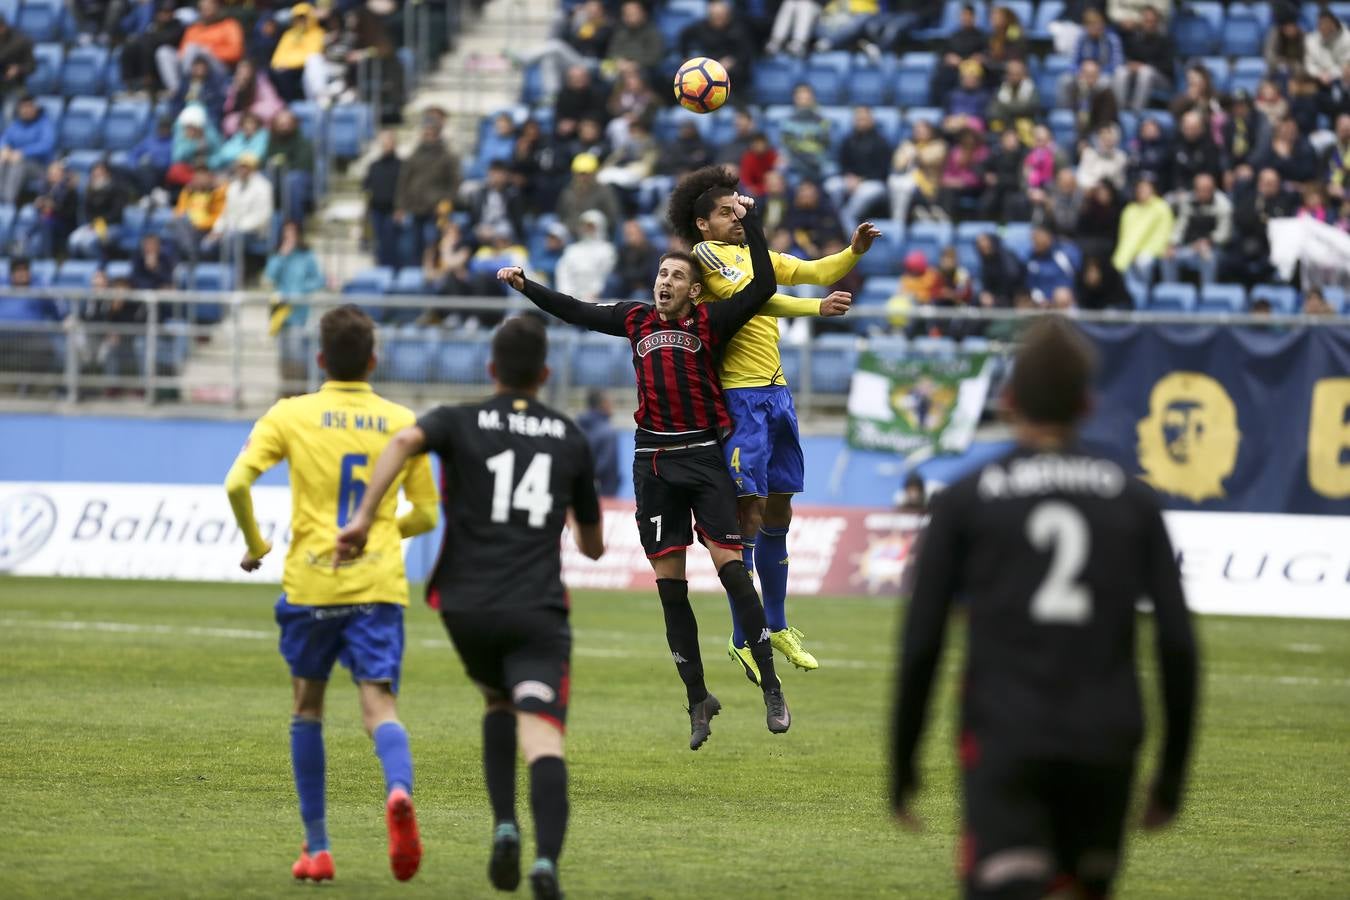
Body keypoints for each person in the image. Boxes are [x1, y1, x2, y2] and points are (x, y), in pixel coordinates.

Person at [891, 316, 1199, 900]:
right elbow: (1178, 643)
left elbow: (922, 640)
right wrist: (1171, 777)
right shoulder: (1134, 501)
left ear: (1007, 402)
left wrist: (903, 764)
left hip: (1007, 737)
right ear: (1087, 403)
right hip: (1106, 739)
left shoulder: (964, 499)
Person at [500, 196, 794, 746]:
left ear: (694, 290)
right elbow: (577, 310)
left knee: (732, 571)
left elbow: (760, 290)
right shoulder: (634, 318)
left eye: (677, 276)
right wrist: (527, 286)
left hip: (704, 457)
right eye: (662, 273)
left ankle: (771, 687)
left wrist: (749, 223)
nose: (665, 282)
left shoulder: (712, 321)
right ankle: (697, 699)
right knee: (671, 589)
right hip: (654, 463)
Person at [335, 316, 604, 900]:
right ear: (545, 374)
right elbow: (591, 544)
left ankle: (504, 824)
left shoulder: (457, 419)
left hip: (464, 605)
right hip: (534, 607)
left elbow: (405, 440)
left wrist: (362, 518)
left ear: (490, 369)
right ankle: (545, 866)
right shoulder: (569, 435)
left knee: (496, 699)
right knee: (543, 736)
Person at [224, 305, 439, 884]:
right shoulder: (400, 419)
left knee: (307, 708)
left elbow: (237, 482)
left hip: (310, 581)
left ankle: (317, 848)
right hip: (376, 583)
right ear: (374, 360)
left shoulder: (291, 414)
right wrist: (380, 527)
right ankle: (397, 791)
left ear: (319, 359)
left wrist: (256, 543)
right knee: (379, 708)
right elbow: (427, 512)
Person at [668, 165, 872, 679]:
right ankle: (745, 636)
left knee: (781, 503)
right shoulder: (705, 256)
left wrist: (852, 254)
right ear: (703, 224)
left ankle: (776, 625)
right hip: (740, 400)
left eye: (739, 206)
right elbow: (760, 295)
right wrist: (815, 310)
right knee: (750, 513)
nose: (738, 214)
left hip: (777, 394)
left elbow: (812, 271)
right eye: (726, 211)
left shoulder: (750, 252)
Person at [395, 110, 461, 271]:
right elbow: (403, 181)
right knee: (411, 248)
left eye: (431, 132)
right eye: (426, 132)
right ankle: (413, 277)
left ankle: (431, 277)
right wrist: (400, 206)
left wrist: (446, 202)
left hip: (435, 211)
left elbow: (454, 184)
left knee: (432, 246)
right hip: (414, 208)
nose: (428, 135)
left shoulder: (447, 156)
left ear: (438, 133)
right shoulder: (414, 155)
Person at [1164, 173, 1232, 286]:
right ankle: (1171, 294)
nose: (1204, 193)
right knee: (1168, 256)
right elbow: (1180, 226)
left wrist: (1207, 241)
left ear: (1213, 188)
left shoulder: (1223, 204)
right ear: (1195, 190)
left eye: (1207, 189)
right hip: (1190, 247)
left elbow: (1224, 234)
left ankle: (1208, 294)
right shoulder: (1188, 202)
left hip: (1214, 248)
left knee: (1208, 257)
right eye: (1201, 190)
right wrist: (1172, 244)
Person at [163, 0, 244, 90]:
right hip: (192, 66)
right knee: (164, 52)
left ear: (217, 7)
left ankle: (185, 85)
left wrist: (208, 49)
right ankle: (177, 90)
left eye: (208, 6)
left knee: (195, 48)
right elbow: (183, 52)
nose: (205, 9)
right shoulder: (194, 28)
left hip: (220, 69)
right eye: (202, 7)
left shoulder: (229, 24)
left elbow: (236, 52)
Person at [264, 221, 324, 334]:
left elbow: (318, 280)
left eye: (292, 232)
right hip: (280, 310)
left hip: (299, 310)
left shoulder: (307, 255)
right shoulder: (277, 255)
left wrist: (301, 289)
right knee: (283, 348)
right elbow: (269, 276)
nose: (289, 236)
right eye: (286, 232)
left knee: (295, 346)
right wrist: (281, 256)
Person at [0, 95, 56, 205]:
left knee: (18, 165)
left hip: (40, 167)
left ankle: (7, 202)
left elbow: (47, 145)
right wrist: (4, 148)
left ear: (35, 107)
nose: (26, 110)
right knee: (2, 160)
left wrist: (23, 153)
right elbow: (5, 138)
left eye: (29, 107)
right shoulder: (16, 124)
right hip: (14, 161)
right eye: (23, 107)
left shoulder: (44, 124)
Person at [1112, 177, 1173, 279]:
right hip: (1129, 251)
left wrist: (1142, 251)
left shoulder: (1162, 207)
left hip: (1152, 250)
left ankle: (1145, 293)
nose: (1142, 191)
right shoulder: (1129, 210)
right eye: (1139, 188)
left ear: (1153, 190)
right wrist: (1131, 253)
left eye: (1145, 188)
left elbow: (1164, 232)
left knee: (1143, 261)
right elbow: (1124, 236)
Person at [68, 162, 127, 261]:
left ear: (107, 174)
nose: (97, 176)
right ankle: (80, 265)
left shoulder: (117, 189)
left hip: (113, 226)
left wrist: (99, 222)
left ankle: (99, 265)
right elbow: (87, 212)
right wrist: (93, 223)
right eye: (95, 174)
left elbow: (116, 213)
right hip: (93, 225)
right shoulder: (90, 190)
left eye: (100, 174)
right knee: (73, 240)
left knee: (88, 243)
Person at [270, 2, 327, 103]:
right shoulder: (289, 34)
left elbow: (312, 54)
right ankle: (284, 104)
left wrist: (288, 63)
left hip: (305, 69)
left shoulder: (317, 33)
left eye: (303, 17)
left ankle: (318, 99)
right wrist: (280, 64)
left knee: (314, 62)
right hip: (290, 70)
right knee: (274, 73)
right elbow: (277, 57)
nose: (301, 20)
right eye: (298, 17)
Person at [554, 209, 616, 302]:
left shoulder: (607, 250)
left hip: (597, 299)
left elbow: (606, 275)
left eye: (591, 226)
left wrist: (594, 293)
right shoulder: (572, 249)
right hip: (571, 298)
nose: (587, 230)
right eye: (585, 226)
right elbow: (563, 272)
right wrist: (566, 294)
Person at [363, 131, 402, 269]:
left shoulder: (401, 165)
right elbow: (366, 187)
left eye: (389, 142)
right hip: (376, 211)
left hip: (393, 211)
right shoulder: (374, 165)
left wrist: (400, 209)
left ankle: (392, 272)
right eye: (384, 143)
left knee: (391, 244)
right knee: (378, 245)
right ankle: (381, 270)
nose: (386, 146)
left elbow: (404, 189)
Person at [576, 388, 621, 497]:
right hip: (603, 494)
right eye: (610, 402)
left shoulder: (576, 427)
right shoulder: (608, 432)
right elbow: (605, 467)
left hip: (578, 491)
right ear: (603, 404)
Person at [0, 15, 35, 100]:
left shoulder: (20, 42)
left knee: (10, 110)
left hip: (15, 85)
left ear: (3, 27)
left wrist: (18, 69)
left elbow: (31, 66)